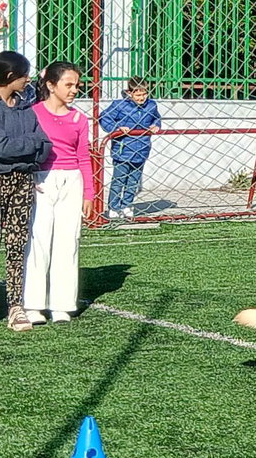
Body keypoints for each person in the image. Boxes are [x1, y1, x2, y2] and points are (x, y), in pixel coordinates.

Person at [0, 51, 50, 331]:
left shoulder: (25, 105)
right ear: (9, 76)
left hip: (23, 180)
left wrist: (26, 148)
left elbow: (45, 144)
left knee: (17, 244)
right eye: (24, 74)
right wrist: (29, 146)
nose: (28, 79)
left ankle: (16, 304)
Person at [22, 61, 91, 326]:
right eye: (68, 84)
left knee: (67, 242)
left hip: (71, 181)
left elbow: (84, 158)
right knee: (38, 241)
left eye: (77, 85)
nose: (74, 90)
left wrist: (89, 194)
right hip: (41, 180)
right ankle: (34, 304)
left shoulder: (78, 119)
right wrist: (30, 177)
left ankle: (62, 304)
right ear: (51, 85)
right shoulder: (32, 114)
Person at [100, 77, 162, 220]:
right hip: (123, 149)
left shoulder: (151, 106)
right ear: (129, 93)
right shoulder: (119, 105)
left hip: (142, 148)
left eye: (144, 94)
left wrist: (156, 125)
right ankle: (114, 207)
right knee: (119, 180)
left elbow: (156, 118)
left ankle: (127, 205)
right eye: (138, 95)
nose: (142, 98)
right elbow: (104, 118)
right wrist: (117, 129)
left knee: (134, 180)